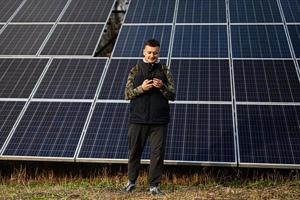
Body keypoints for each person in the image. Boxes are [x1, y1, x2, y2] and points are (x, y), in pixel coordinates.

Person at [123, 39, 176, 196]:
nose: (152, 55)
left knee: (157, 154)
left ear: (158, 53)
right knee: (134, 152)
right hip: (137, 119)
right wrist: (142, 88)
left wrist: (163, 88)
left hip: (159, 121)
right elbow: (127, 94)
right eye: (149, 52)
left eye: (155, 53)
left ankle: (154, 186)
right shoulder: (135, 69)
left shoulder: (165, 70)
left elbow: (173, 95)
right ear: (144, 52)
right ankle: (131, 182)